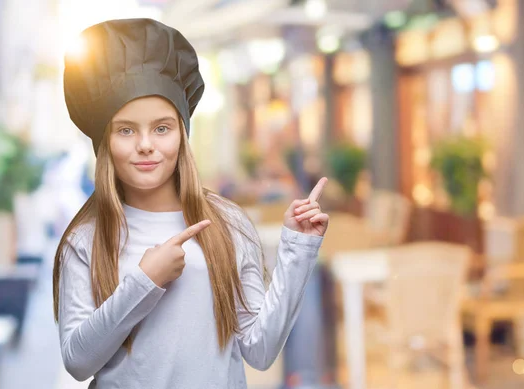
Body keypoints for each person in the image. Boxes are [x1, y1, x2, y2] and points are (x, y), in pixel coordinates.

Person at [52, 18, 329, 389]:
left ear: (182, 135)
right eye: (126, 130)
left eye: (162, 128)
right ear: (105, 144)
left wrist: (299, 246)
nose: (146, 144)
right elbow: (77, 362)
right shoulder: (86, 239)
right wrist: (145, 281)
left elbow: (260, 350)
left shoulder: (227, 224)